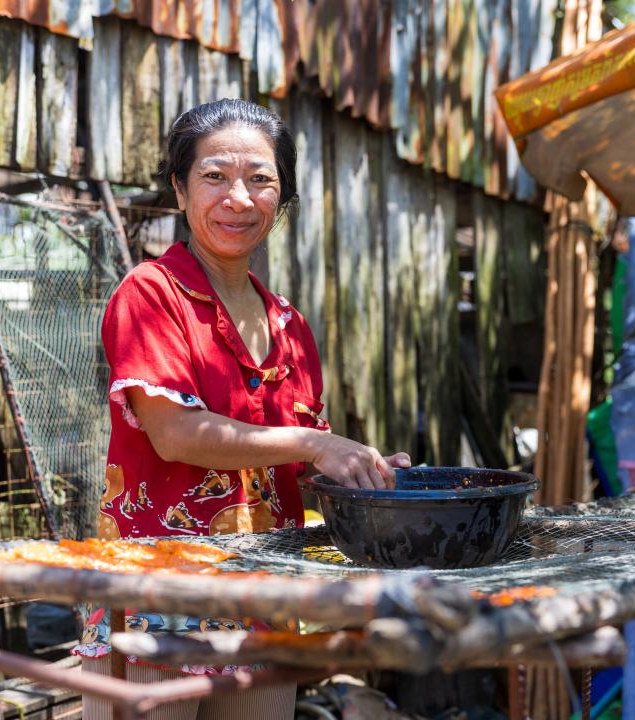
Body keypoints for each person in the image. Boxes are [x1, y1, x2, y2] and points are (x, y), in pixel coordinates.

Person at [75, 98, 410, 720]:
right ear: (179, 190)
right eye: (214, 177)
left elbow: (296, 453)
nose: (239, 198)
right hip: (159, 599)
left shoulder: (290, 324)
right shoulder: (152, 294)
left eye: (261, 180)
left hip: (263, 607)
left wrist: (357, 468)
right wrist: (312, 445)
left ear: (280, 202)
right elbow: (175, 435)